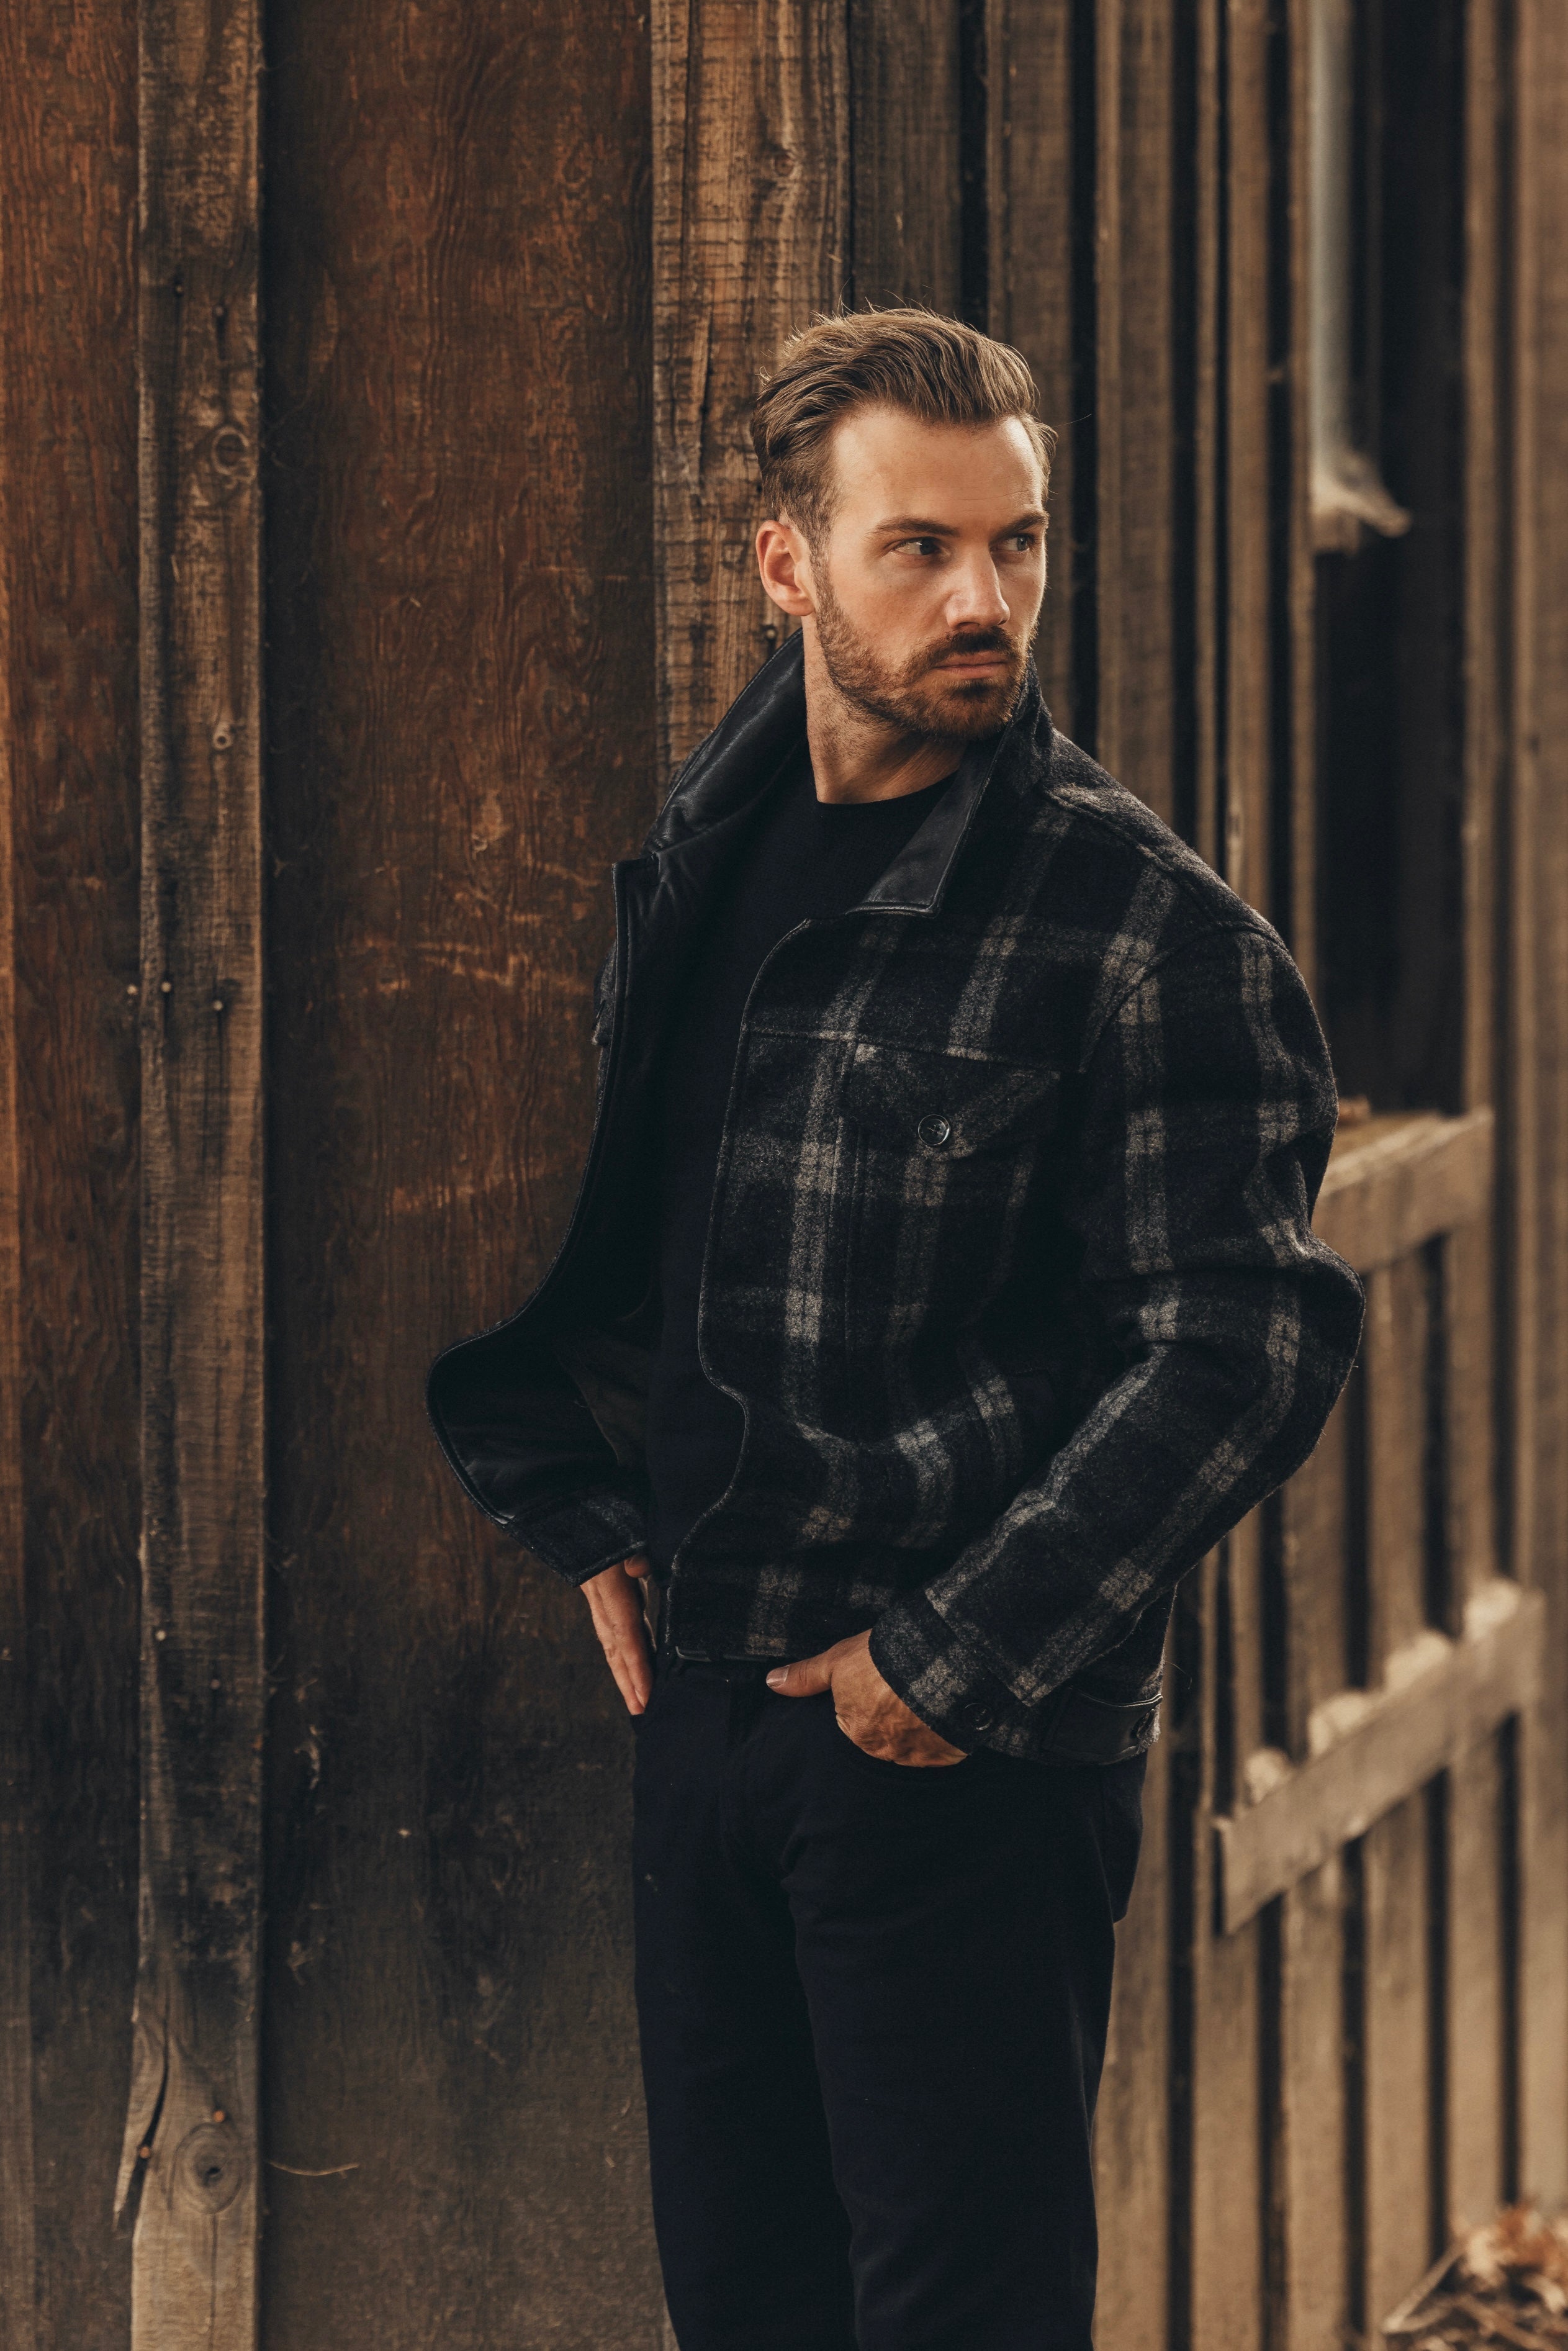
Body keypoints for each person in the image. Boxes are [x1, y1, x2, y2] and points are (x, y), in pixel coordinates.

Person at [427, 309, 1364, 2351]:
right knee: (744, 2301)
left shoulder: (1143, 928)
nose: (983, 600)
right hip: (706, 1711)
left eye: (1016, 543)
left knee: (961, 2314)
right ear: (789, 565)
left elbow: (1252, 1339)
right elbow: (665, 1234)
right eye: (919, 548)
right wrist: (589, 1503)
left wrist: (952, 1660)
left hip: (956, 1743)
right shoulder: (707, 849)